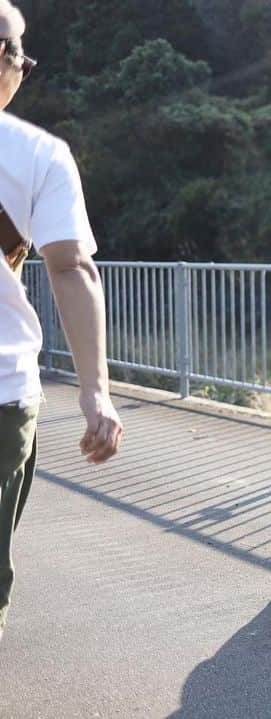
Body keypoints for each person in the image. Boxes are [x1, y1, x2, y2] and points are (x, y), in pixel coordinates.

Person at [0, 0, 123, 641]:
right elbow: (71, 268)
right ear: (3, 59)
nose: (25, 65)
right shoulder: (35, 154)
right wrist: (94, 390)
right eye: (22, 53)